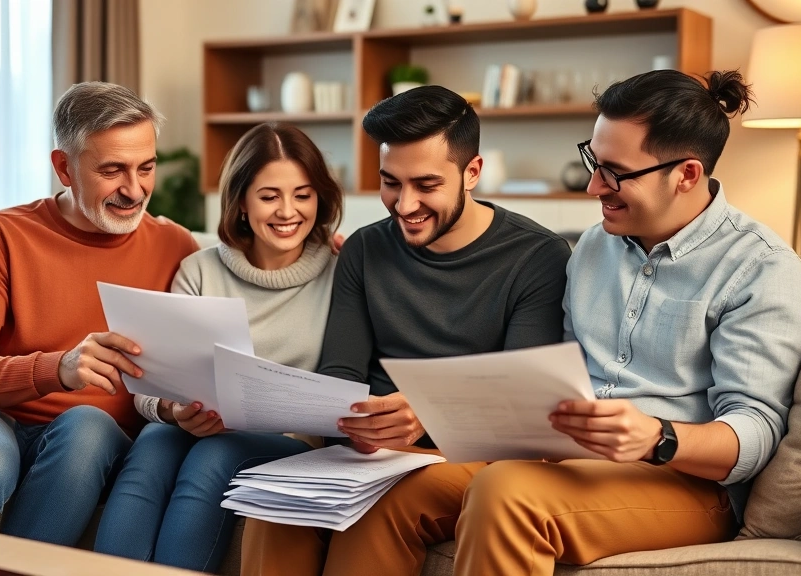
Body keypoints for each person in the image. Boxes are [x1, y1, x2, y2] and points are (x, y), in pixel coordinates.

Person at [454, 70, 801, 575]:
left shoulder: (761, 269)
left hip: (686, 484)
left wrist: (656, 437)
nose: (592, 186)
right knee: (405, 488)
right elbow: (563, 377)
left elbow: (755, 431)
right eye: (592, 161)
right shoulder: (592, 247)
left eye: (615, 172)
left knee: (506, 493)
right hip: (569, 464)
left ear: (686, 174)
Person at [241, 85, 572, 576]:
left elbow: (519, 409)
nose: (403, 204)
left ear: (472, 173)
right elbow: (341, 372)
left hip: (475, 456)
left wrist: (425, 414)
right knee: (276, 505)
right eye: (390, 182)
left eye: (426, 184)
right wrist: (348, 417)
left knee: (388, 505)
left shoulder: (537, 257)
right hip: (372, 452)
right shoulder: (364, 250)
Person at [0, 82, 198, 546]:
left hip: (91, 436)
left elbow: (247, 261)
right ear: (64, 168)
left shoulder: (177, 247)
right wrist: (58, 367)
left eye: (146, 167)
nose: (135, 189)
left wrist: (329, 250)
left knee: (89, 427)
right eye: (112, 170)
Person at [94, 122, 344, 572]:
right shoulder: (200, 271)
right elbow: (149, 381)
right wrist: (173, 412)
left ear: (320, 198)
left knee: (217, 454)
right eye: (269, 196)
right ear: (242, 203)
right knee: (151, 448)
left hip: (295, 441)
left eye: (303, 194)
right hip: (197, 425)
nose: (288, 211)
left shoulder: (344, 271)